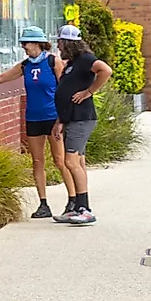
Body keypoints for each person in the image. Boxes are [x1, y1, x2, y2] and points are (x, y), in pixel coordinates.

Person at [0, 27, 63, 219]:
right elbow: (0, 78)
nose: (23, 47)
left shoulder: (54, 62)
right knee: (37, 161)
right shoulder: (24, 66)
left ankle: (74, 200)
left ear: (37, 43)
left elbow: (64, 89)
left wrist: (63, 118)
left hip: (53, 116)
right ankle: (43, 203)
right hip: (33, 117)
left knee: (60, 160)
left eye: (26, 43)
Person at [52, 34, 114, 224]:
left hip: (82, 118)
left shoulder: (86, 59)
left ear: (68, 43)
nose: (58, 45)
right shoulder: (71, 63)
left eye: (60, 42)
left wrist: (89, 92)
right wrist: (60, 121)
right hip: (70, 118)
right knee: (78, 161)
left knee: (71, 162)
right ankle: (78, 207)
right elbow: (66, 92)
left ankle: (85, 209)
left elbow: (105, 70)